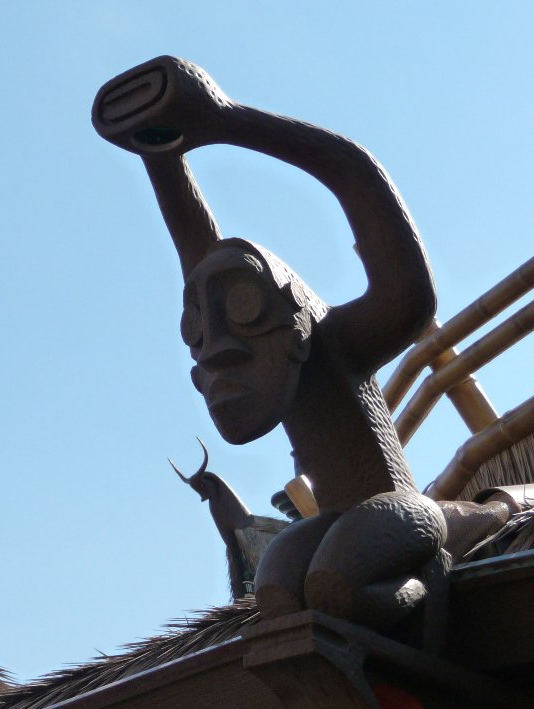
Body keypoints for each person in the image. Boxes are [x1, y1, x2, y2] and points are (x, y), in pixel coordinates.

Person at [93, 56, 508, 637]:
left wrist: (229, 120)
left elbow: (361, 186)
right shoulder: (271, 364)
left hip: (402, 514)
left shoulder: (337, 344)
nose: (217, 348)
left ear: (294, 322)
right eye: (200, 328)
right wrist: (161, 157)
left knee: (338, 578)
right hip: (336, 518)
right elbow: (198, 252)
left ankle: (426, 584)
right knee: (278, 587)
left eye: (245, 308)